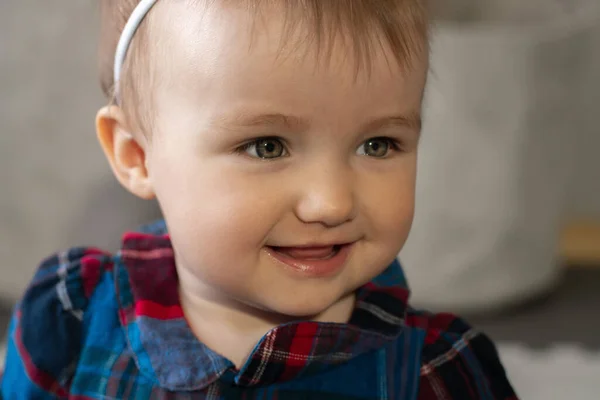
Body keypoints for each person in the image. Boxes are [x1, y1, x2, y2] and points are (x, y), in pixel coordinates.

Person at [0, 0, 517, 398]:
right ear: (137, 155)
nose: (330, 203)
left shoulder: (440, 371)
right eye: (266, 146)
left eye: (376, 144)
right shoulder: (70, 321)